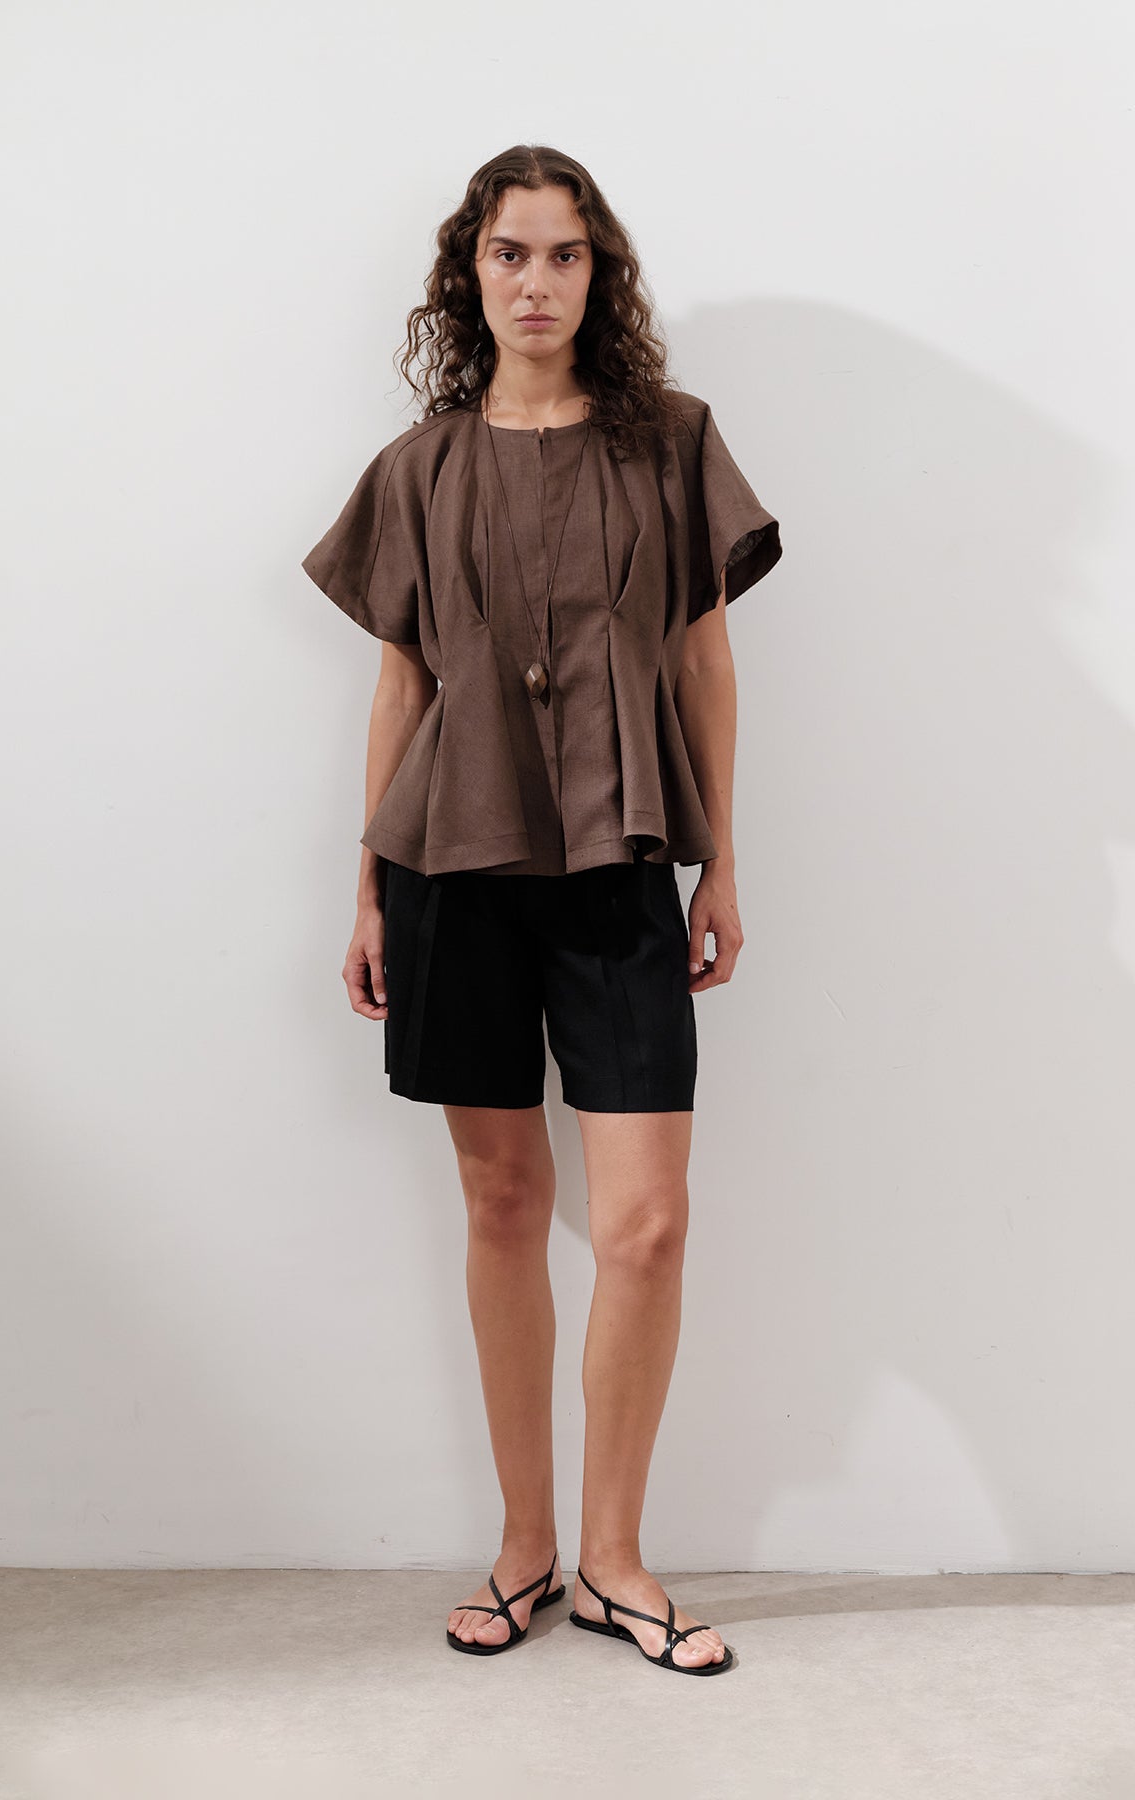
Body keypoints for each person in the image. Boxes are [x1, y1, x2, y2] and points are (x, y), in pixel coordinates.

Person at [302, 145, 783, 1676]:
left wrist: (723, 862)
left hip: (625, 866)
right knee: (505, 1206)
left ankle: (616, 1560)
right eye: (510, 254)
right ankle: (525, 1548)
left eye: (566, 255)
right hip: (452, 871)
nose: (537, 282)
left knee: (646, 1223)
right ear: (471, 274)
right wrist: (365, 887)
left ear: (599, 274)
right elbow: (401, 687)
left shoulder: (672, 446)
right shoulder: (420, 468)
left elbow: (703, 662)